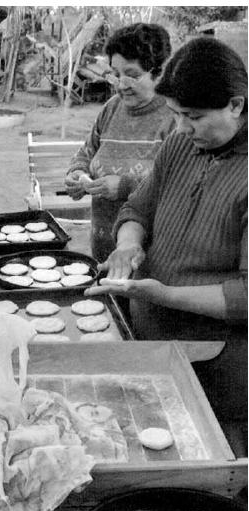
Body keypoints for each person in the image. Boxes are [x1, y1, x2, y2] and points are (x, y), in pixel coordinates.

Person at [86, 37, 247, 456]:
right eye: (176, 114)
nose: (182, 128)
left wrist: (165, 295)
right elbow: (138, 208)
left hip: (219, 365)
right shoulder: (180, 145)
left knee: (211, 460)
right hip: (150, 340)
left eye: (193, 117)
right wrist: (128, 244)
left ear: (235, 105)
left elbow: (246, 296)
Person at [65, 23, 175, 262]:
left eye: (132, 75)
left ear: (158, 72)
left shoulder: (176, 118)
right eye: (116, 74)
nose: (121, 84)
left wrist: (126, 187)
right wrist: (77, 174)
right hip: (103, 251)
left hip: (149, 259)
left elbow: (179, 186)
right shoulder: (112, 108)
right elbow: (86, 153)